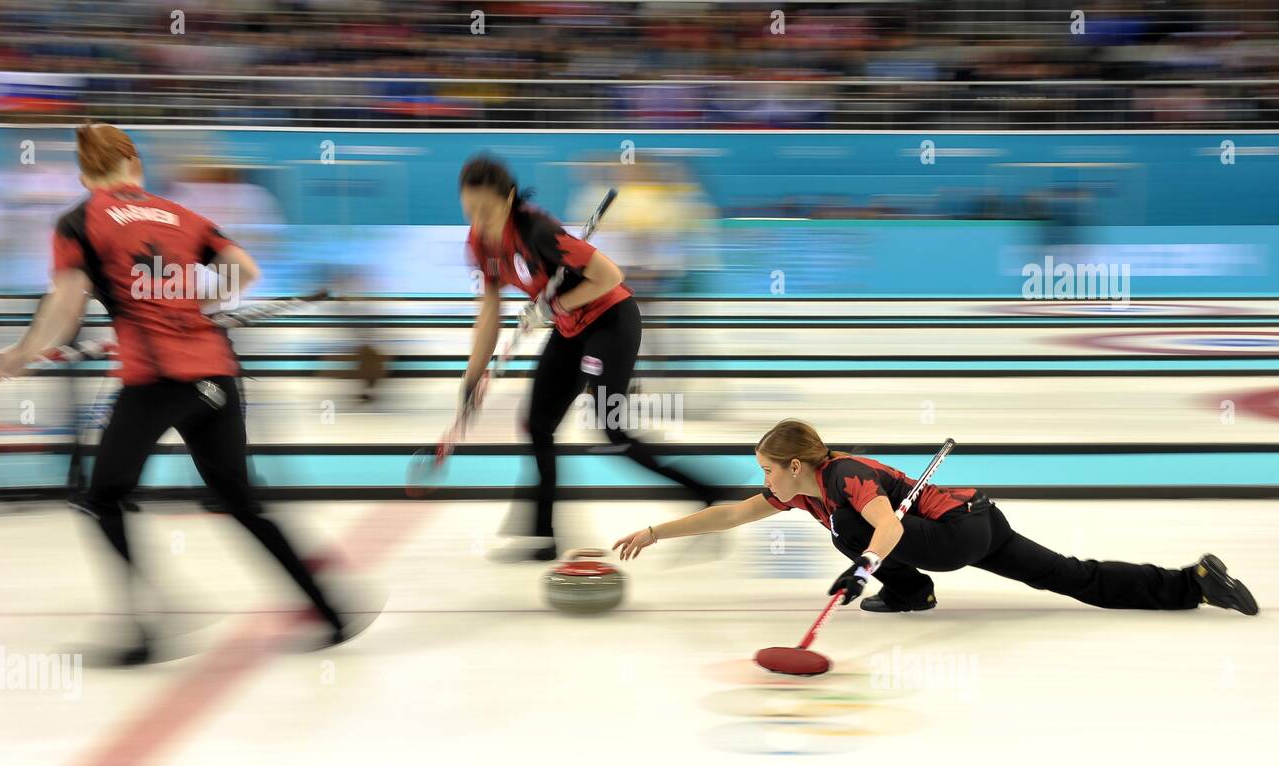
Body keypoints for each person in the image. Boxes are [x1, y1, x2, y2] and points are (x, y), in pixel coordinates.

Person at [0, 122, 368, 664]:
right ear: (133, 164)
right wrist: (199, 306)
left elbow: (65, 307)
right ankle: (331, 609)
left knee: (101, 499)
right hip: (217, 378)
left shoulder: (80, 221)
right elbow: (245, 269)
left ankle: (147, 629)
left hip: (158, 383)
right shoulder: (184, 215)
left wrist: (19, 357)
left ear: (85, 173)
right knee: (240, 501)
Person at [614, 419, 1259, 617]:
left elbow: (887, 529)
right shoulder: (803, 492)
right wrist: (653, 532)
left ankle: (911, 587)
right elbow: (726, 516)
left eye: (766, 469)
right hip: (977, 521)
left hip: (955, 534)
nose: (763, 482)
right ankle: (1191, 582)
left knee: (854, 531)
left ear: (793, 463)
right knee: (1071, 576)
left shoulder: (842, 476)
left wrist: (863, 571)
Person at [458, 154, 716, 561]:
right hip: (571, 330)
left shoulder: (538, 231)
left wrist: (553, 306)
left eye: (486, 210)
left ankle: (708, 494)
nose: (479, 220)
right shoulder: (480, 242)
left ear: (508, 200)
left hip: (611, 323)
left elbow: (611, 276)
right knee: (538, 425)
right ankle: (543, 537)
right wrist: (472, 378)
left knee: (610, 432)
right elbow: (489, 310)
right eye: (470, 211)